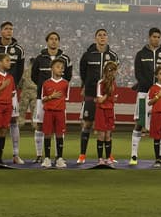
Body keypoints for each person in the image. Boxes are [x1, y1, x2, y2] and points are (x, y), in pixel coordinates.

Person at [0, 22, 26, 165]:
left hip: (10, 95)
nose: (9, 31)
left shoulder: (19, 50)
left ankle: (14, 155)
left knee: (10, 124)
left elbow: (20, 70)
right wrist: (1, 86)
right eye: (6, 29)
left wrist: (11, 88)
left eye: (11, 29)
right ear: (1, 31)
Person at [131, 27, 161, 166]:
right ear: (149, 37)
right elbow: (138, 74)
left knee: (160, 126)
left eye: (158, 37)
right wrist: (150, 88)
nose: (156, 39)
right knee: (139, 123)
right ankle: (134, 155)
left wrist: (159, 88)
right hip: (144, 93)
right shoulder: (141, 54)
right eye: (154, 37)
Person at [77, 27, 118, 164]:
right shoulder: (88, 55)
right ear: (95, 38)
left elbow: (114, 74)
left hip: (107, 97)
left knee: (108, 127)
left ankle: (109, 156)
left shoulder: (113, 56)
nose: (102, 37)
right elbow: (83, 72)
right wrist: (86, 86)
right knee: (87, 123)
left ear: (107, 38)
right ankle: (82, 155)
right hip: (91, 94)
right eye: (99, 35)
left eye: (104, 35)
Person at [39, 58, 69, 168]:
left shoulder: (65, 83)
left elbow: (66, 98)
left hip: (60, 112)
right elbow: (43, 99)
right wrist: (51, 96)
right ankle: (47, 158)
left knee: (59, 134)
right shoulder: (46, 83)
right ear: (52, 68)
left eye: (62, 67)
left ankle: (59, 158)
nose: (60, 69)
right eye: (58, 67)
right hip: (48, 112)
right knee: (47, 134)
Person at [94, 60, 119, 165]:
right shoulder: (101, 83)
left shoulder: (114, 84)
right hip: (101, 111)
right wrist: (107, 94)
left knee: (108, 135)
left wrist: (111, 97)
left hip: (110, 111)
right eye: (112, 71)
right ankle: (100, 159)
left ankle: (108, 158)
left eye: (115, 71)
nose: (114, 73)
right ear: (107, 71)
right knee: (101, 135)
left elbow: (115, 98)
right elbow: (100, 100)